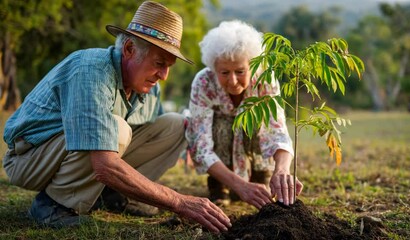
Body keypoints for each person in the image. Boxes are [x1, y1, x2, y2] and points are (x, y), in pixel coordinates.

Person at [2, 1, 231, 232]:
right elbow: (104, 163)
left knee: (177, 125)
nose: (163, 75)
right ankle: (52, 206)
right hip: (29, 158)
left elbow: (147, 140)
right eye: (159, 63)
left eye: (168, 66)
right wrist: (178, 202)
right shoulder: (91, 70)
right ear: (129, 49)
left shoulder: (149, 85)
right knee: (116, 130)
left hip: (83, 156)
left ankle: (112, 195)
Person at [186, 20, 304, 209]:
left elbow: (277, 130)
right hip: (220, 143)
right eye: (224, 72)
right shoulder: (203, 83)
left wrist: (281, 170)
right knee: (223, 124)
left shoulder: (265, 78)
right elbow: (201, 147)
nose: (232, 81)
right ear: (214, 69)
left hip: (256, 146)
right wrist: (239, 185)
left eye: (240, 71)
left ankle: (262, 173)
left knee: (255, 117)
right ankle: (220, 183)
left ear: (252, 65)